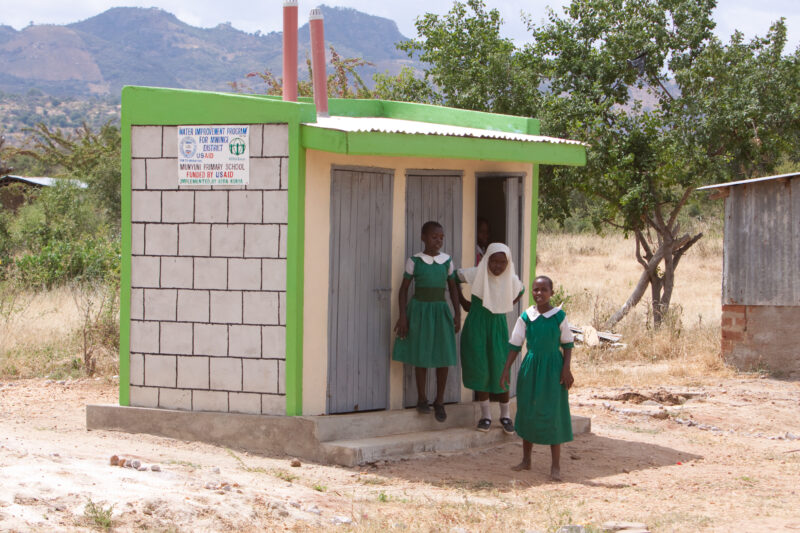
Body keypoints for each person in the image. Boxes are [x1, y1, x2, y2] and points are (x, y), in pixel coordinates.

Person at [500, 275, 574, 481]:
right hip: (531, 368)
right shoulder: (526, 316)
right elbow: (515, 345)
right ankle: (526, 460)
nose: (539, 293)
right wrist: (506, 370)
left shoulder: (559, 316)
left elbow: (567, 344)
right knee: (528, 410)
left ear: (552, 293)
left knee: (553, 412)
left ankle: (555, 465)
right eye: (535, 289)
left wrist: (566, 369)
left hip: (553, 369)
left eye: (544, 290)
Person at [393, 221, 461, 422]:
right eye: (434, 237)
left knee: (443, 356)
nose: (438, 240)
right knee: (421, 356)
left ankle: (439, 401)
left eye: (441, 237)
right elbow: (403, 290)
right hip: (420, 311)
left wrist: (457, 314)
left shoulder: (447, 261)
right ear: (423, 237)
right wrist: (403, 316)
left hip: (440, 311)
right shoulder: (415, 260)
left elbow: (453, 289)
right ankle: (422, 399)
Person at [456, 243, 524, 434]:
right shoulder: (476, 273)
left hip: (498, 327)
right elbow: (453, 277)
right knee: (480, 369)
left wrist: (506, 303)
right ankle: (485, 416)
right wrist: (462, 302)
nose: (497, 266)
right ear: (486, 259)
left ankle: (505, 416)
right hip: (476, 325)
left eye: (502, 262)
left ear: (508, 263)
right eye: (493, 261)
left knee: (501, 367)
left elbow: (521, 290)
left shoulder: (511, 279)